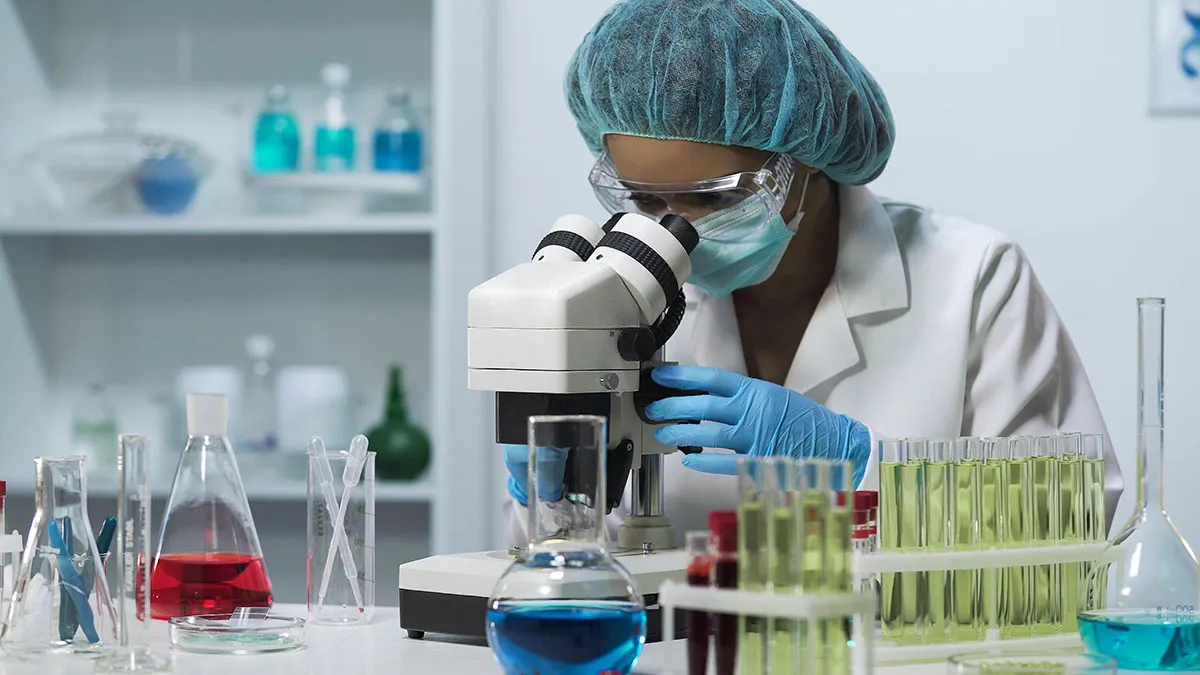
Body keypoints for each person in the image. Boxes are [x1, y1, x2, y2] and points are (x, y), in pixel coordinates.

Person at [504, 0, 1123, 544]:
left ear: (810, 160)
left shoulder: (974, 279)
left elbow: (1076, 527)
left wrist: (864, 470)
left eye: (714, 199)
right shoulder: (608, 300)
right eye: (644, 201)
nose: (673, 233)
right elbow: (557, 567)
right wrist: (555, 493)